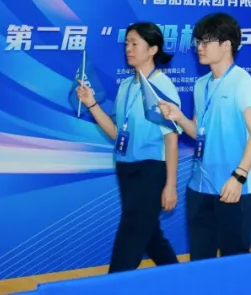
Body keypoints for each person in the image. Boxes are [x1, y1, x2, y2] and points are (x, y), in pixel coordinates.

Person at [157, 13, 251, 259]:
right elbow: (199, 133)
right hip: (199, 187)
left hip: (233, 188)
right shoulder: (201, 84)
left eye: (206, 41)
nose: (199, 47)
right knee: (200, 261)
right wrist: (179, 117)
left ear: (226, 45)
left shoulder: (243, 82)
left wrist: (238, 177)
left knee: (233, 263)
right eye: (198, 41)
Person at [75, 23, 181, 272]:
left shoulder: (162, 86)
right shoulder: (126, 86)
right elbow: (116, 133)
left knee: (130, 236)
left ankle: (113, 285)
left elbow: (171, 139)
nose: (128, 49)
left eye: (135, 43)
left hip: (151, 170)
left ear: (153, 49)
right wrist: (92, 104)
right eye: (127, 44)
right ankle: (179, 278)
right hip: (126, 169)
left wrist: (170, 185)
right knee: (150, 235)